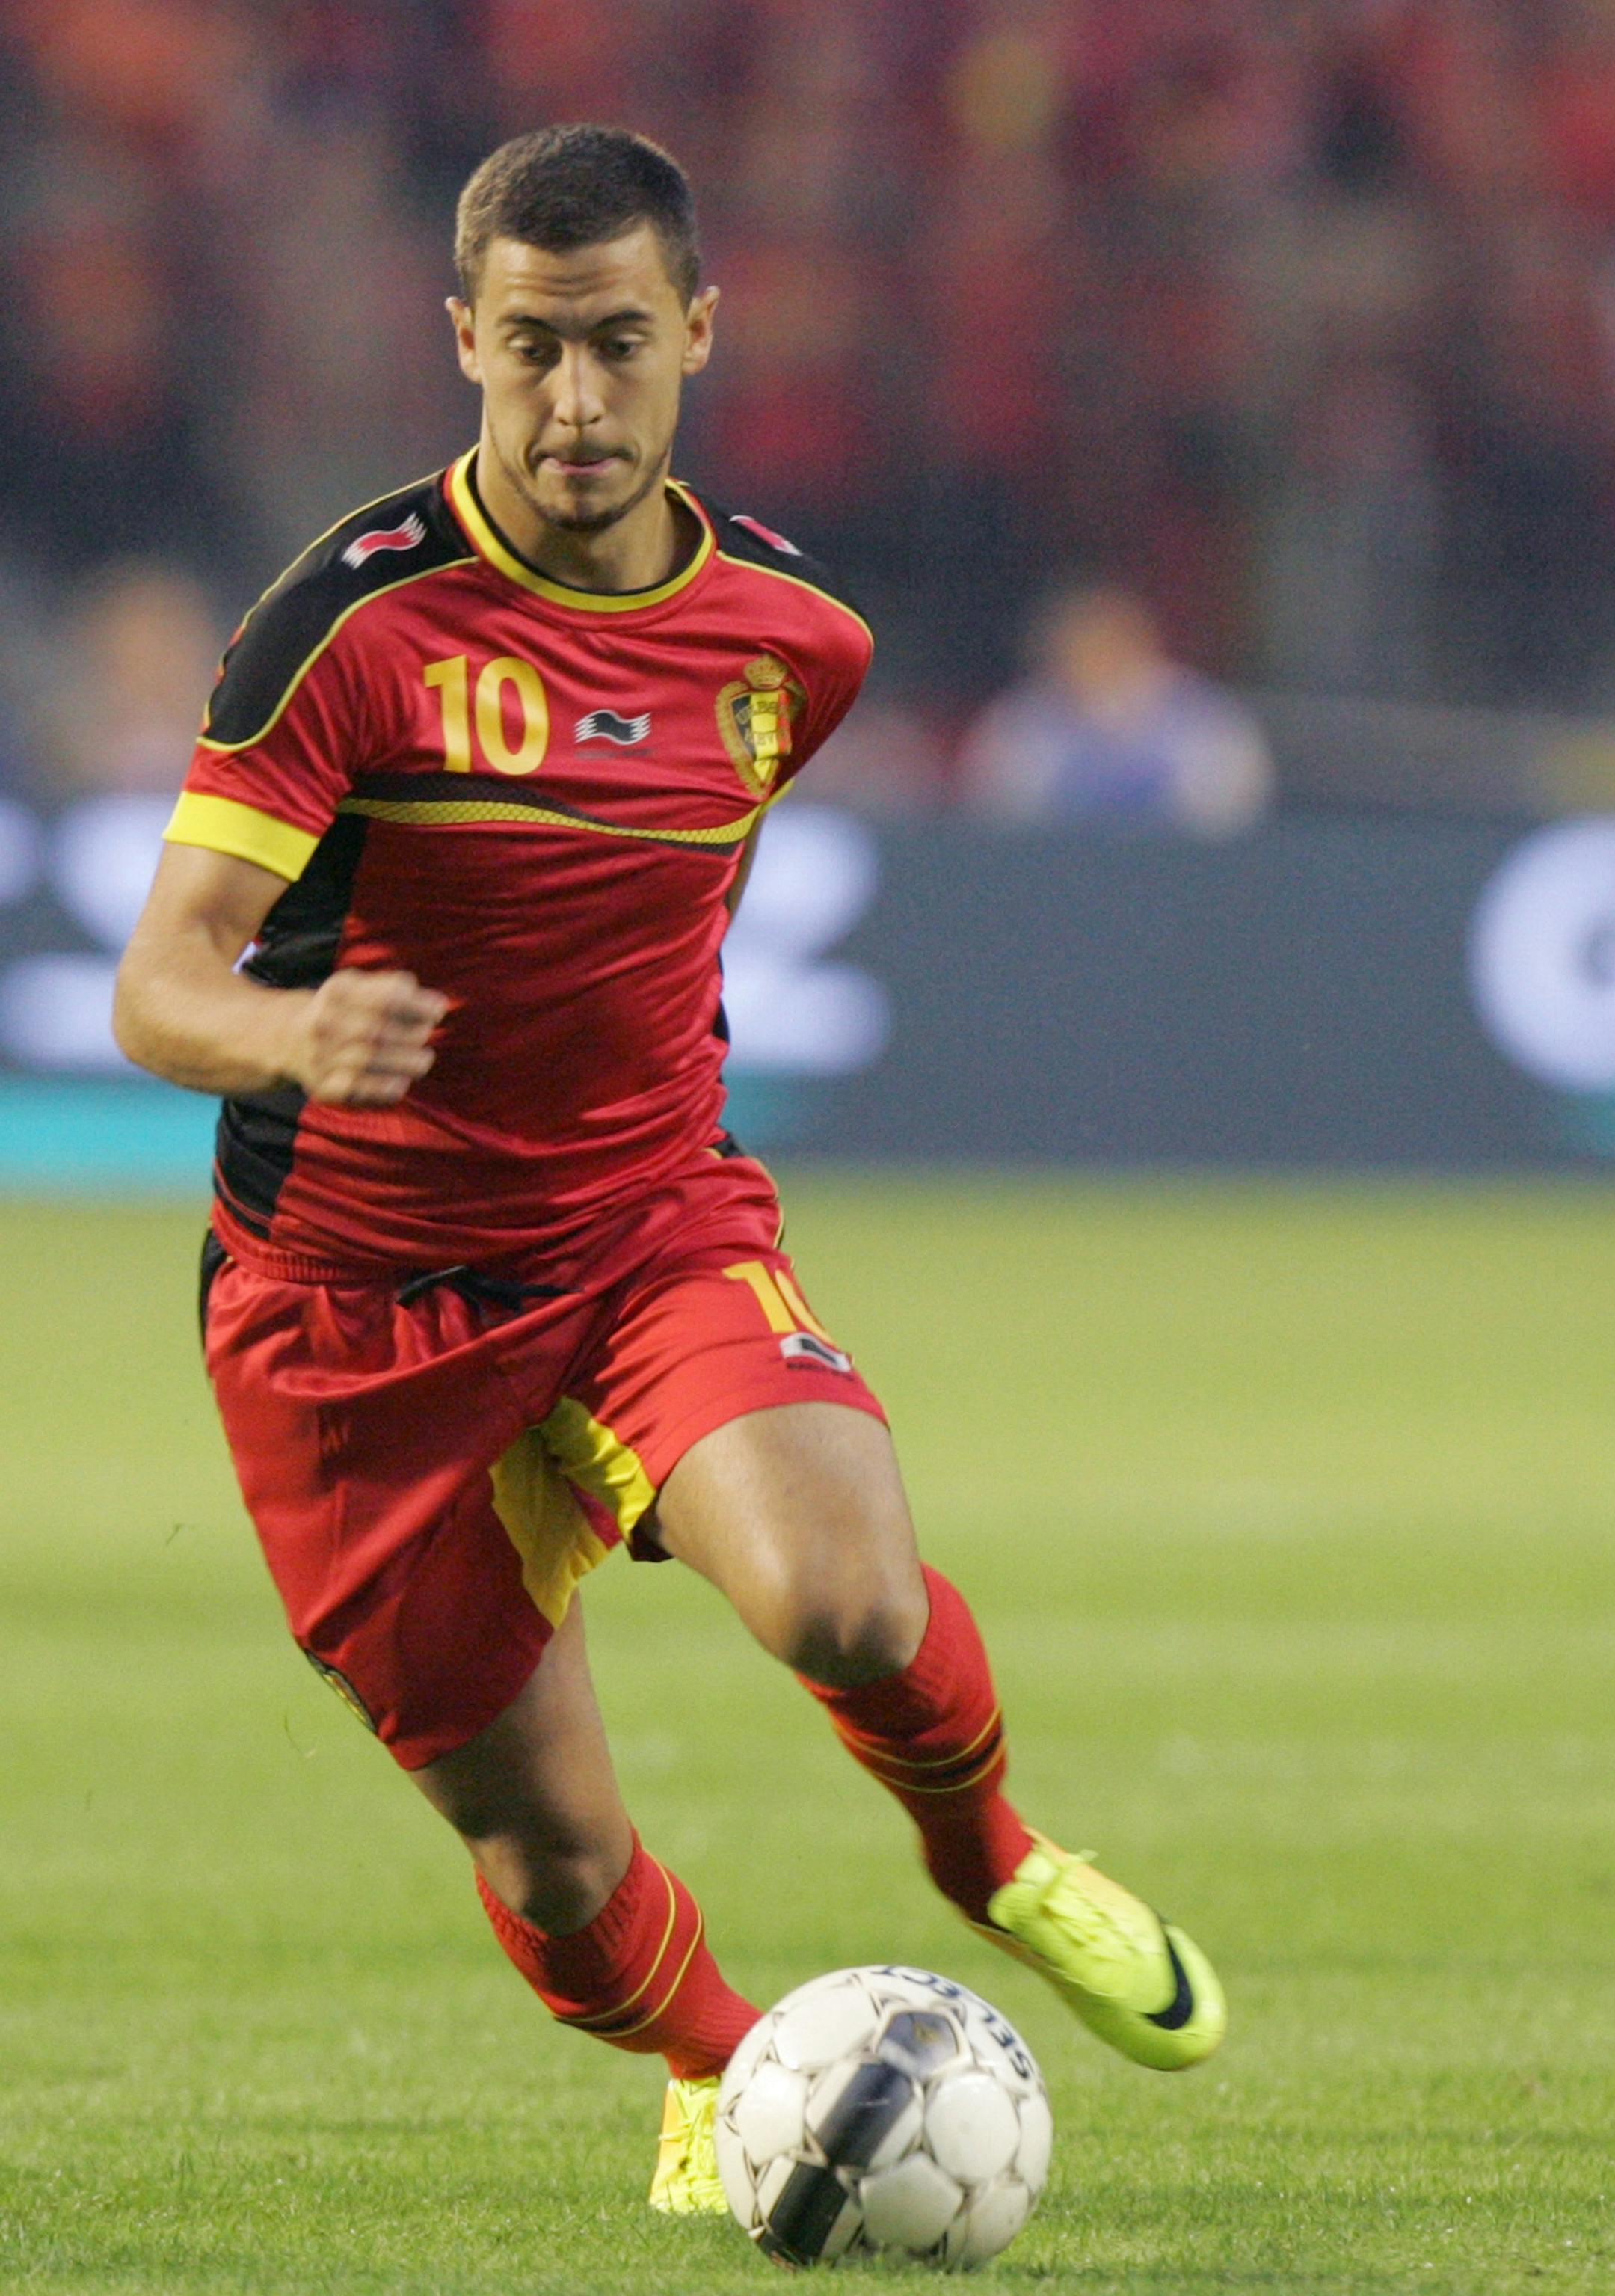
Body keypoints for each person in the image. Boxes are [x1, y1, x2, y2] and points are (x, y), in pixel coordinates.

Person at [113, 125, 1225, 2238]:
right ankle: (724, 2062)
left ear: (700, 334)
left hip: (640, 1228)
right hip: (345, 1316)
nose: (574, 403)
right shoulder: (346, 630)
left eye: (619, 343)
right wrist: (287, 1032)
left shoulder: (797, 639)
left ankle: (988, 1851)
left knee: (849, 1598)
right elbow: (159, 986)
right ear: (462, 341)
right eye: (527, 349)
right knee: (550, 1855)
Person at [959, 581, 1273, 833]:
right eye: (1079, 645)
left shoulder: (1203, 717)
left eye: (1106, 642)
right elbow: (998, 821)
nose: (1093, 657)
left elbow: (1231, 818)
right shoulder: (1021, 722)